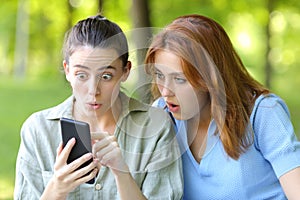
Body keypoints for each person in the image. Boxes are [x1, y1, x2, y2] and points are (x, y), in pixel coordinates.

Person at [14, 14, 183, 200]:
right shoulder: (38, 131)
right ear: (67, 70)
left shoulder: (156, 126)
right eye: (82, 75)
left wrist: (122, 174)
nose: (93, 91)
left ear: (126, 71)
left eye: (106, 76)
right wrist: (57, 188)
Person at [144, 14, 300, 199]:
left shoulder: (263, 113)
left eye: (180, 79)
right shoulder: (162, 115)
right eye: (160, 75)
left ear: (210, 78)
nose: (165, 91)